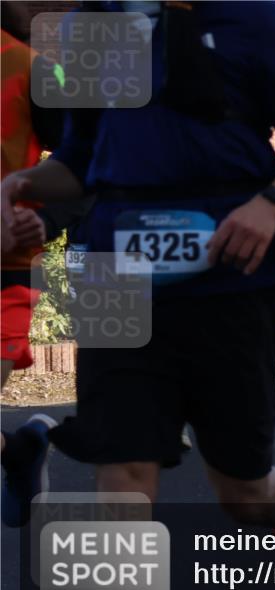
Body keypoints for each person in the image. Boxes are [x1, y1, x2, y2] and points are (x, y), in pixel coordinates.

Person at [1, 10, 275, 590]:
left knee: (241, 491)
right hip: (112, 272)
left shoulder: (254, 18)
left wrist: (270, 202)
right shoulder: (95, 26)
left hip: (232, 274)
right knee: (121, 476)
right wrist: (18, 183)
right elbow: (79, 160)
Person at [0, 5, 65, 528]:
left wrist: (48, 220)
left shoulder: (32, 67)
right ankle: (17, 452)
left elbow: (93, 159)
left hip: (7, 269)